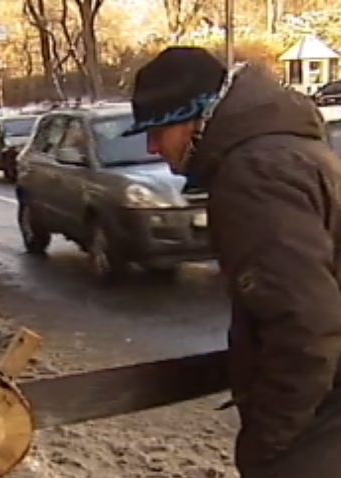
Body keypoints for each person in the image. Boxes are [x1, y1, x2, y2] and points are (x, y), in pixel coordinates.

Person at [124, 46, 341, 478]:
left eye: (159, 130)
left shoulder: (254, 173)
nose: (153, 147)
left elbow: (303, 322)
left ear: (196, 119)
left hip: (323, 423)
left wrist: (271, 442)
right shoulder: (286, 150)